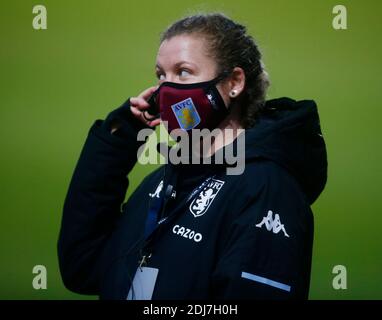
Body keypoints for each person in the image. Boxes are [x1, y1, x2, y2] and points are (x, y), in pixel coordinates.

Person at [58, 13, 327, 300]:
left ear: (234, 82)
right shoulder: (165, 181)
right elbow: (82, 267)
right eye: (161, 75)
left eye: (183, 72)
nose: (166, 89)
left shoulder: (267, 189)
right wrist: (120, 135)